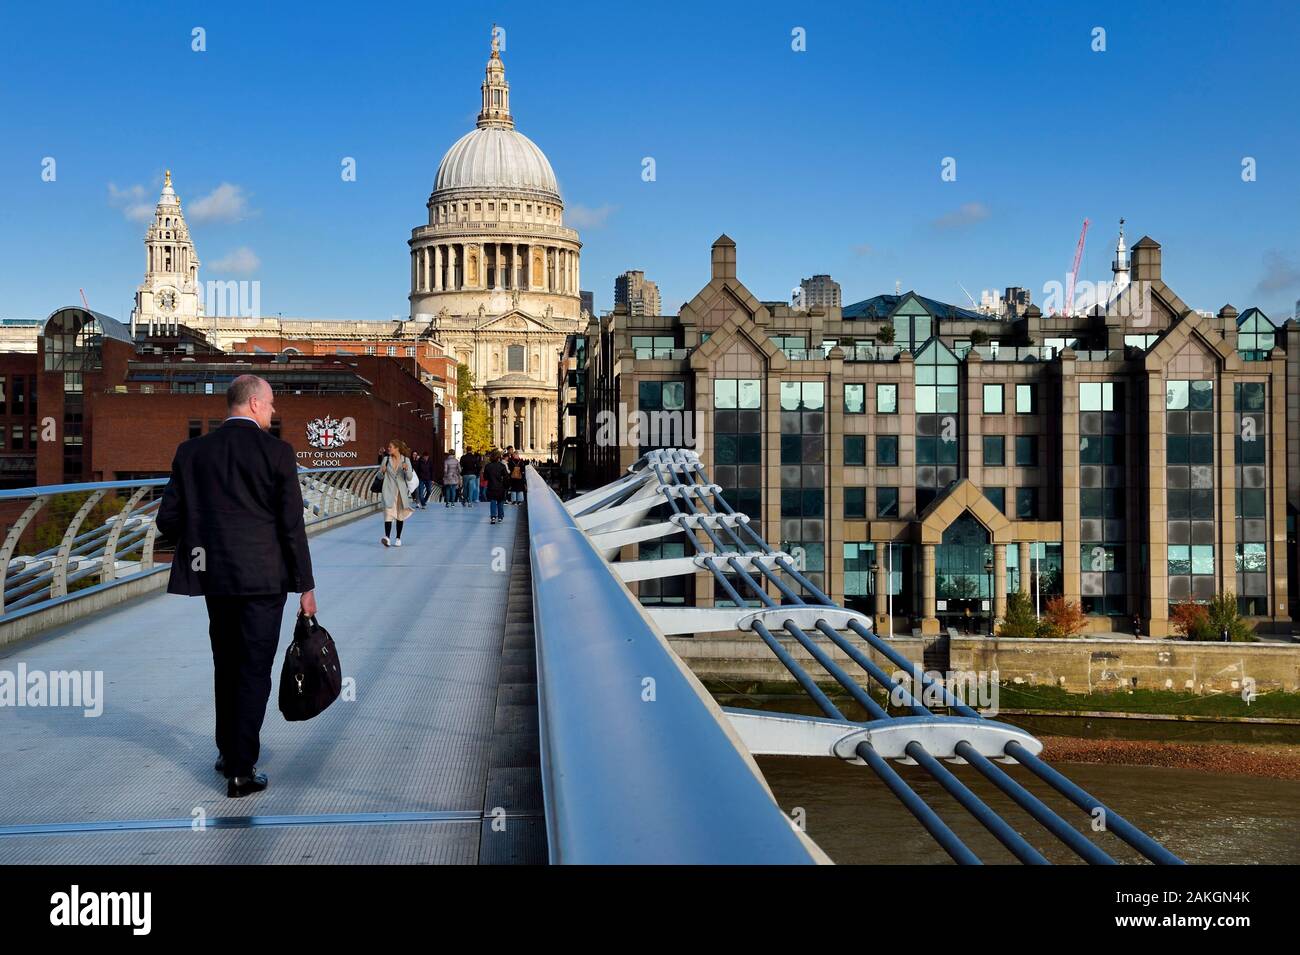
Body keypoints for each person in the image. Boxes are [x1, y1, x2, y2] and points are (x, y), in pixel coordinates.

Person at [156, 375, 316, 799]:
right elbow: (291, 526)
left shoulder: (192, 452)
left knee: (226, 665)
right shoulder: (278, 453)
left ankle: (229, 752)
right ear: (253, 405)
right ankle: (241, 770)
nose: (274, 411)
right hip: (264, 581)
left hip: (214, 577)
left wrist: (203, 544)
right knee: (253, 671)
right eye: (271, 404)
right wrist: (305, 586)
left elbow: (167, 520)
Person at [379, 439, 415, 546]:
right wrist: (382, 471)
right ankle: (387, 538)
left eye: (391, 447)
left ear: (397, 448)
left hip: (400, 492)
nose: (389, 449)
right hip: (388, 491)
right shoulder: (386, 459)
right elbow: (379, 476)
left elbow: (409, 477)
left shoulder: (406, 460)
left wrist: (406, 469)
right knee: (388, 514)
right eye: (389, 447)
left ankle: (398, 538)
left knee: (400, 515)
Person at [482, 450, 509, 525]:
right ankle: (500, 517)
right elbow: (506, 477)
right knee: (500, 501)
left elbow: (485, 477)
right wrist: (506, 485)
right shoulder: (502, 466)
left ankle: (493, 516)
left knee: (493, 501)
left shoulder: (488, 466)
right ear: (499, 457)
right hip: (500, 486)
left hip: (491, 486)